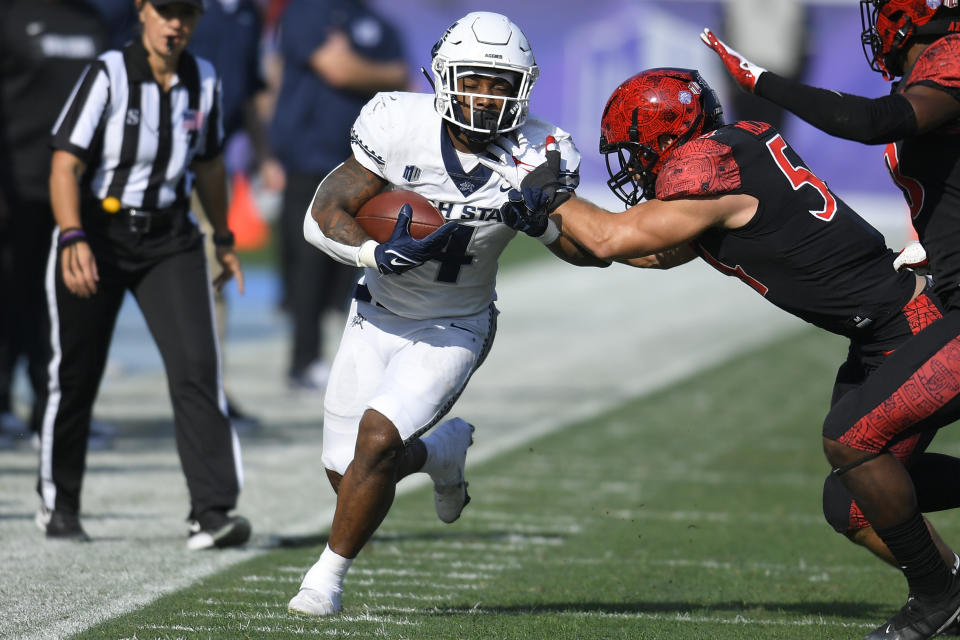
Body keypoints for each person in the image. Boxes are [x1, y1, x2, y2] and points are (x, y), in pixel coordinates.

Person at [505, 67, 960, 639]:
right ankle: (948, 588)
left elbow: (608, 237)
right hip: (880, 332)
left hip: (911, 327)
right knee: (850, 506)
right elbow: (644, 253)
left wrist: (543, 188)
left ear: (666, 136)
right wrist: (547, 224)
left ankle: (938, 597)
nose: (634, 164)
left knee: (853, 453)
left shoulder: (707, 171)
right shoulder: (728, 151)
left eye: (636, 150)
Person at [285, 11, 603, 616]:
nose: (484, 97)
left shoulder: (541, 153)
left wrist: (545, 223)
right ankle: (440, 453)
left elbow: (587, 254)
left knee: (375, 444)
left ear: (523, 90)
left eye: (499, 84)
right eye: (474, 80)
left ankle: (323, 582)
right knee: (347, 472)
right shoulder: (396, 122)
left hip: (455, 323)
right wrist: (375, 251)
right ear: (445, 76)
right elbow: (323, 211)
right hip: (376, 311)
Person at [39, 0, 251, 550]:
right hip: (97, 234)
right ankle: (59, 503)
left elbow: (208, 162)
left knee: (197, 368)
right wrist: (71, 236)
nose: (175, 23)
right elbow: (65, 163)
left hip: (170, 238)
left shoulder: (203, 79)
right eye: (165, 10)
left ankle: (211, 512)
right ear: (142, 11)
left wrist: (223, 238)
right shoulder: (108, 74)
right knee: (76, 374)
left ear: (198, 19)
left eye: (187, 13)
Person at [269, 0, 409, 391]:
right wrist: (380, 72)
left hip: (365, 163)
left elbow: (402, 80)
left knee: (364, 268)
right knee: (308, 267)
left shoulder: (380, 23)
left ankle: (364, 360)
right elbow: (337, 67)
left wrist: (373, 71)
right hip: (309, 160)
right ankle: (304, 360)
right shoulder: (306, 11)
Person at [0, 0, 108, 447]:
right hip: (15, 188)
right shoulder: (10, 14)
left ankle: (54, 413)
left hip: (77, 192)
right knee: (9, 302)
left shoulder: (93, 19)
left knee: (68, 306)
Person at [188, 0, 269, 429]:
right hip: (160, 161)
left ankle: (210, 391)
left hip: (213, 164)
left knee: (216, 272)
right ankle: (71, 398)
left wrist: (263, 154)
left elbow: (251, 91)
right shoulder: (180, 9)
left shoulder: (248, 14)